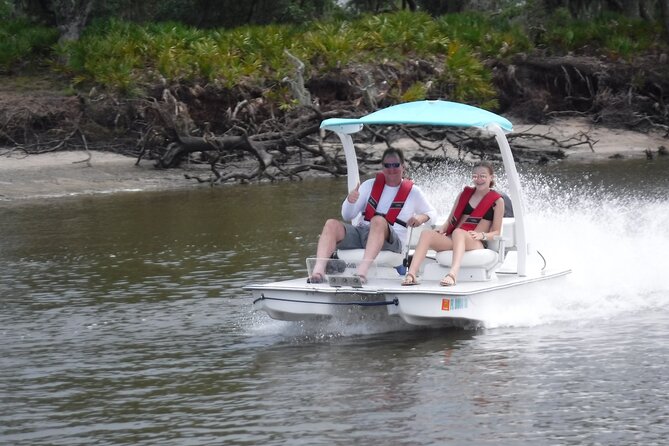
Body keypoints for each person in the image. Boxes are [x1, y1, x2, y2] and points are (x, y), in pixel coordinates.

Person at [308, 147, 437, 284]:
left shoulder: (414, 192)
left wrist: (421, 218)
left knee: (378, 221)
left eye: (395, 165)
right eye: (387, 166)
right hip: (362, 233)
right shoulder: (368, 186)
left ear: (403, 167)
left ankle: (361, 274)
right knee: (331, 224)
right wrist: (350, 201)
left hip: (392, 241)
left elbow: (432, 213)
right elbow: (347, 215)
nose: (391, 169)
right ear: (382, 167)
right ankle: (318, 272)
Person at [401, 161, 505, 286]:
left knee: (458, 232)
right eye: (475, 176)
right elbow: (450, 220)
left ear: (491, 177)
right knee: (426, 234)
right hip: (455, 238)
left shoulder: (497, 201)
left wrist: (482, 235)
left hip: (476, 241)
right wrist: (442, 230)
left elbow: (497, 232)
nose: (478, 179)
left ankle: (452, 274)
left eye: (483, 176)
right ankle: (411, 274)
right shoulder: (464, 194)